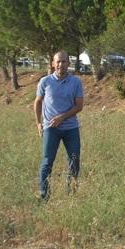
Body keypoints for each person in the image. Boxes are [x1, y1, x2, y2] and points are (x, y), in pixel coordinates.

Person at [34, 51, 84, 200]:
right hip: (51, 128)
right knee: (47, 161)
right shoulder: (45, 81)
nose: (61, 64)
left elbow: (79, 106)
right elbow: (37, 102)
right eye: (58, 61)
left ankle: (71, 194)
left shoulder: (76, 82)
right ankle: (44, 195)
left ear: (69, 63)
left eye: (64, 61)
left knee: (74, 160)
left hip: (71, 128)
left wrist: (62, 117)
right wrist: (38, 123)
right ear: (53, 64)